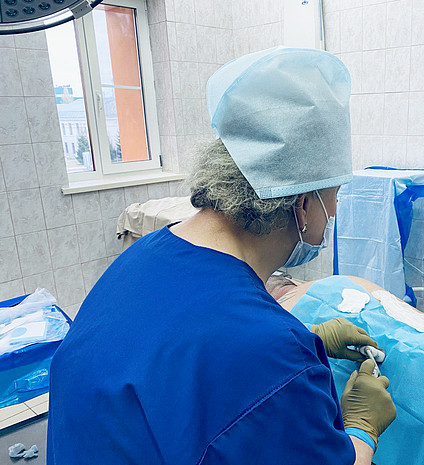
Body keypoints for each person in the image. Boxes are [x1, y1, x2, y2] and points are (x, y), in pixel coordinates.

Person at [47, 47, 396, 464]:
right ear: (303, 205)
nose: (334, 211)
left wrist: (309, 338)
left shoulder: (144, 255)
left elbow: (172, 355)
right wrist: (362, 428)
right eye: (333, 195)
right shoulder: (273, 360)